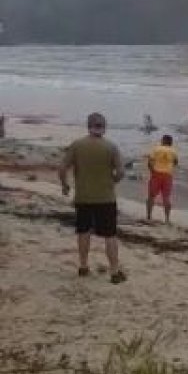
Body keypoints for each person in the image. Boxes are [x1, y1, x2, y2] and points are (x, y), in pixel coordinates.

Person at [58, 112, 126, 283]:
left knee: (83, 232)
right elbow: (121, 172)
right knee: (110, 235)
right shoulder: (111, 147)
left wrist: (64, 185)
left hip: (83, 197)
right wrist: (113, 181)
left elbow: (62, 168)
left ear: (88, 126)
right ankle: (114, 272)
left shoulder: (77, 145)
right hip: (106, 198)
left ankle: (83, 266)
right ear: (104, 127)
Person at [145, 134, 178, 223]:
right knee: (166, 198)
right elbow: (175, 162)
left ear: (163, 141)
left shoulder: (156, 149)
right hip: (167, 175)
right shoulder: (173, 151)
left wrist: (152, 171)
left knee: (151, 196)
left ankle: (149, 216)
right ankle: (167, 219)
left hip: (156, 174)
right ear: (170, 142)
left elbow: (150, 162)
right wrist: (169, 168)